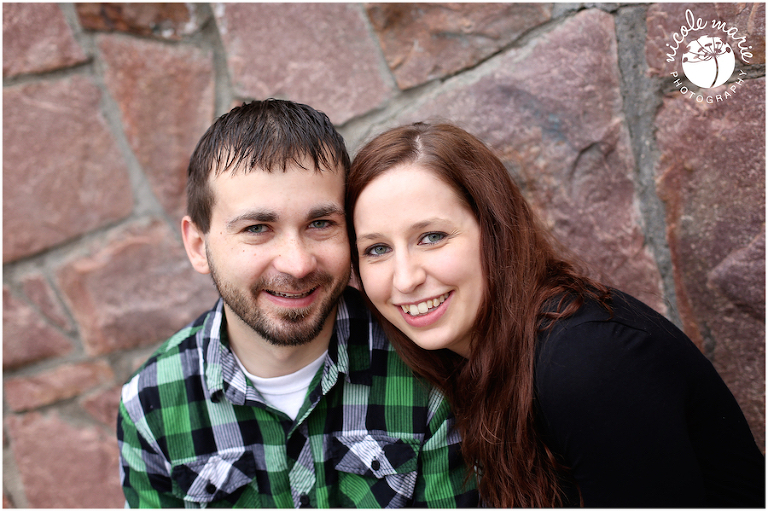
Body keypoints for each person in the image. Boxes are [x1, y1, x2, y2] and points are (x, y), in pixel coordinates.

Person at [346, 122, 765, 507]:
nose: (405, 279)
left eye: (431, 236)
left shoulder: (587, 360)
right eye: (377, 249)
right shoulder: (472, 363)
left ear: (495, 231)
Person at [117, 101, 478, 508]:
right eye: (257, 228)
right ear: (199, 246)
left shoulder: (426, 366)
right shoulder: (150, 406)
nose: (298, 263)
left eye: (320, 224)